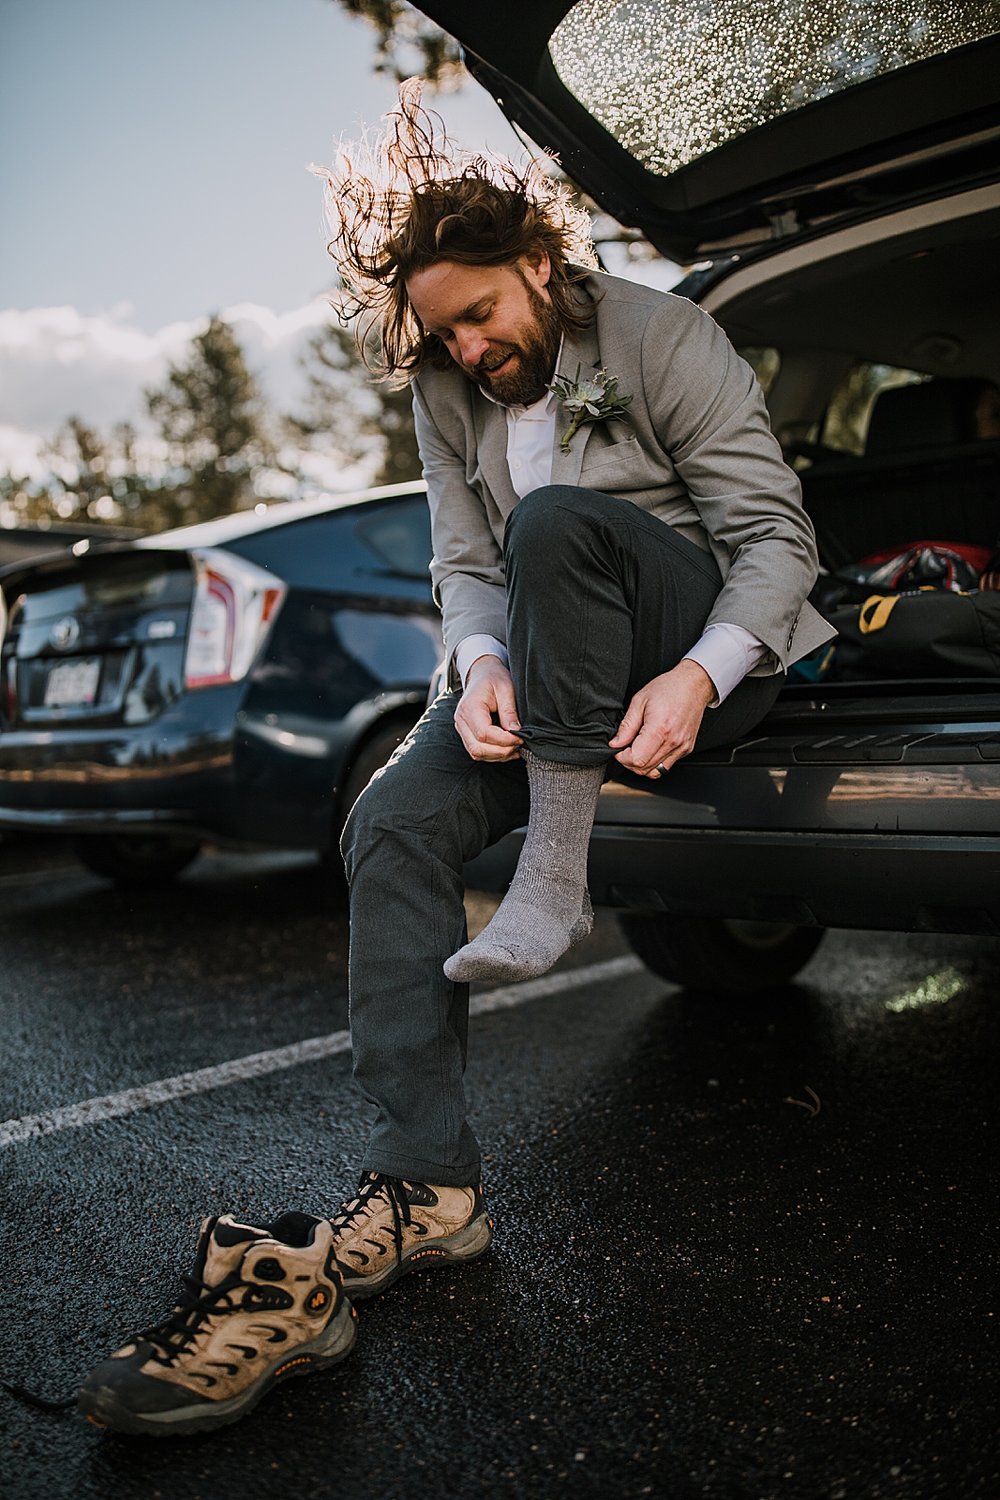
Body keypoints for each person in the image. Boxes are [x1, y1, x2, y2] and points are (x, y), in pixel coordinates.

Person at [77, 83, 833, 1435]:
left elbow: (776, 538)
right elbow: (464, 566)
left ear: (540, 266)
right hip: (543, 674)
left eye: (482, 315)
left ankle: (554, 870)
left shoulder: (660, 334)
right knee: (388, 823)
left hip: (692, 653)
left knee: (555, 523)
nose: (469, 349)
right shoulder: (446, 383)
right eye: (441, 331)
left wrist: (695, 672)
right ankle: (431, 1191)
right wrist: (476, 669)